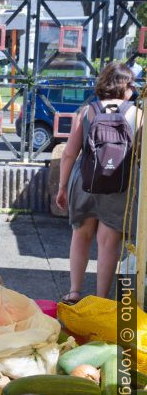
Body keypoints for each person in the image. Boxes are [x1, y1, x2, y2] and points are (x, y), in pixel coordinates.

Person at [56, 62, 142, 304]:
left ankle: (74, 292)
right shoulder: (138, 115)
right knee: (108, 243)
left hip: (86, 182)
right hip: (120, 185)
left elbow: (69, 154)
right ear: (126, 87)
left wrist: (62, 187)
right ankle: (102, 298)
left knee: (80, 235)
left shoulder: (87, 112)